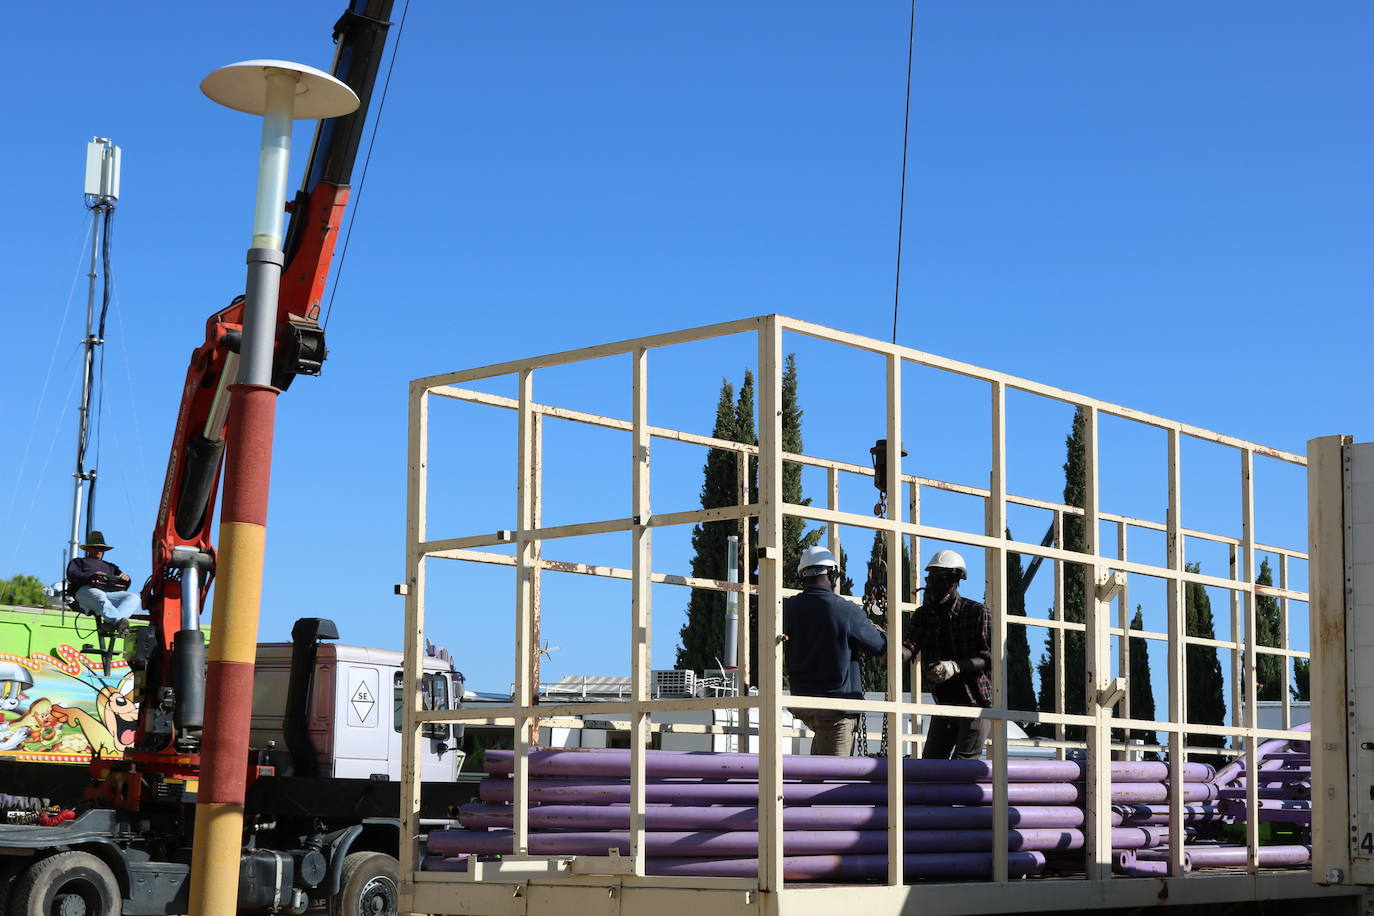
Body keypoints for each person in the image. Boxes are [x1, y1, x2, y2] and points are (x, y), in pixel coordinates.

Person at [783, 545, 907, 756]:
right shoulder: (845, 609)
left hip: (802, 702)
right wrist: (879, 630)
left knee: (817, 773)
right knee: (834, 782)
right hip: (836, 707)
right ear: (833, 574)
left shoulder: (786, 608)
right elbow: (879, 646)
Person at [905, 549, 992, 759]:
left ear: (956, 579)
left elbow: (989, 657)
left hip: (975, 703)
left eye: (940, 577)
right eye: (931, 577)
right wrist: (894, 653)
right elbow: (911, 645)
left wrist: (956, 666)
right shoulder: (924, 614)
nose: (933, 583)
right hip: (945, 704)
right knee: (931, 767)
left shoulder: (977, 612)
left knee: (963, 766)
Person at [66, 531, 139, 634]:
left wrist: (126, 578)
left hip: (107, 593)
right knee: (100, 595)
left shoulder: (111, 566)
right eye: (96, 548)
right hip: (84, 592)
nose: (100, 550)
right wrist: (92, 576)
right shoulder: (78, 562)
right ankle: (117, 622)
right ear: (88, 549)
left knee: (133, 597)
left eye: (102, 548)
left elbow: (123, 584)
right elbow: (72, 575)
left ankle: (112, 624)